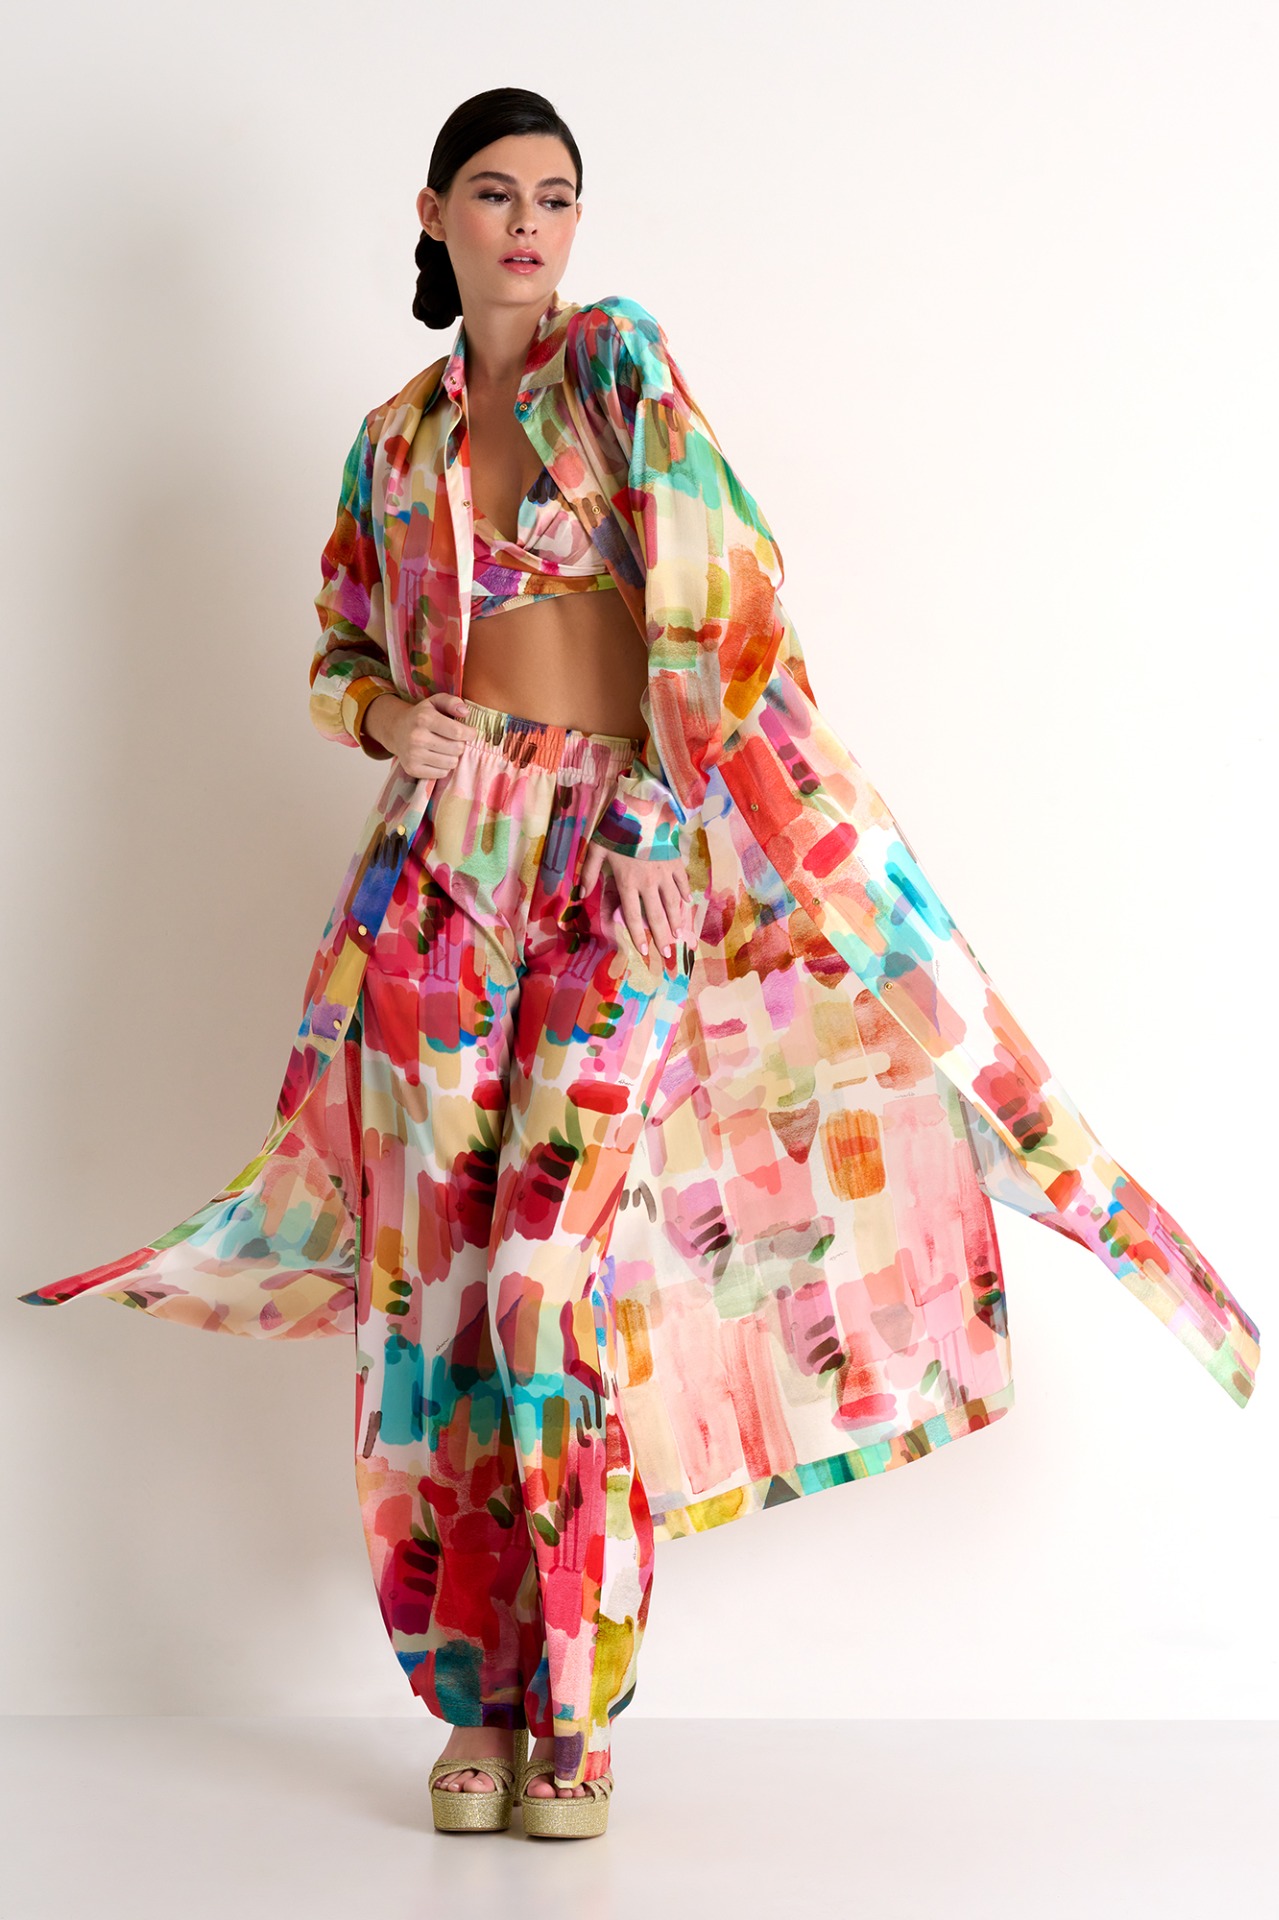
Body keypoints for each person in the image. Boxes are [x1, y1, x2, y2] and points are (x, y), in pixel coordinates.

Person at [20, 86, 1261, 1844]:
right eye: (497, 194)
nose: (531, 225)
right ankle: (474, 1707)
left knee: (544, 1283)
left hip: (619, 857)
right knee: (437, 1301)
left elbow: (727, 601)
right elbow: (338, 648)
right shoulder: (389, 442)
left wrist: (667, 819)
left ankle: (577, 1708)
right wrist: (382, 714)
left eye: (558, 196)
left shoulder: (620, 374)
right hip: (439, 877)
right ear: (435, 216)